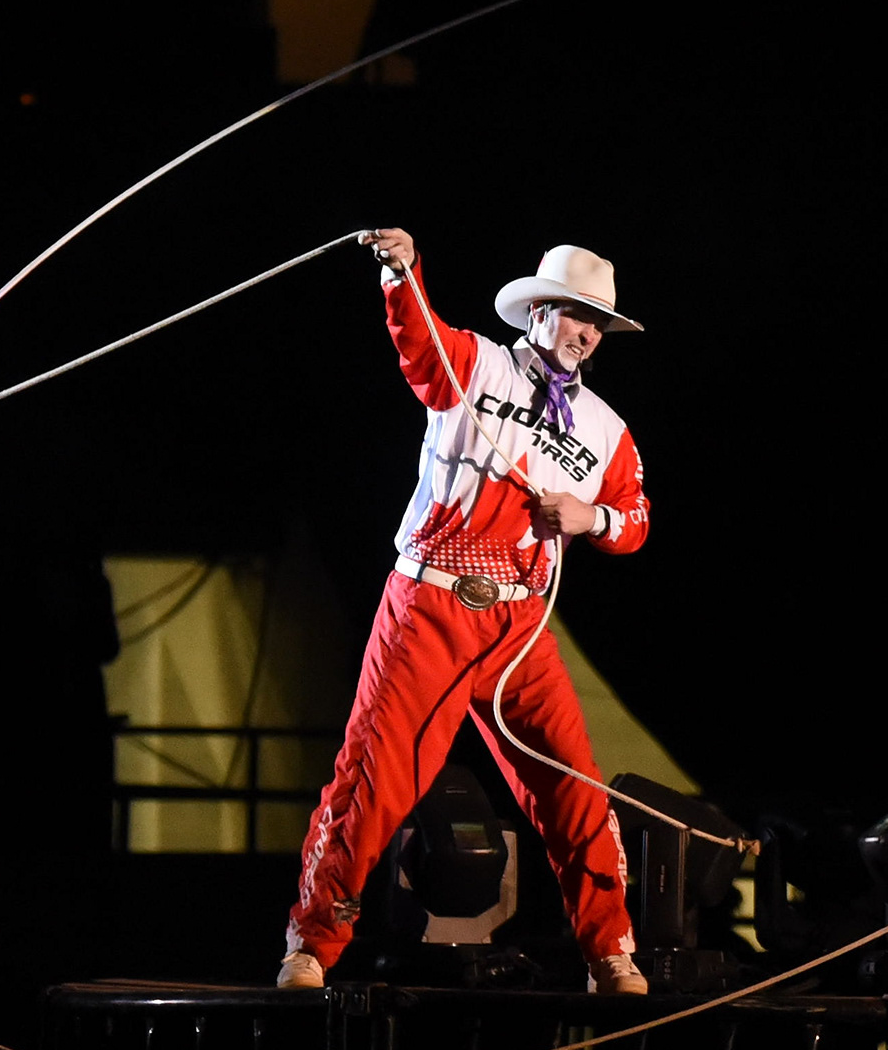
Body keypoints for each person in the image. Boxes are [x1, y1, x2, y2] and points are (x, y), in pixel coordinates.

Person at [277, 227, 652, 995]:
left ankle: (609, 948)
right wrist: (404, 271)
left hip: (521, 624)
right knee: (377, 778)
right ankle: (312, 942)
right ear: (538, 311)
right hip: (433, 603)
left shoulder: (608, 430)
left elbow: (636, 516)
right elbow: (418, 340)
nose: (585, 335)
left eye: (597, 324)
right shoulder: (477, 360)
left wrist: (592, 519)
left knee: (574, 785)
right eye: (575, 316)